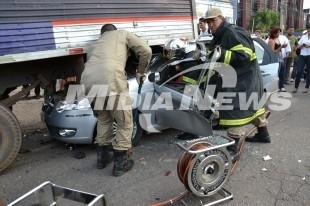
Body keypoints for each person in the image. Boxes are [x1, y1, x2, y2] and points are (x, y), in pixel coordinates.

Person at [81, 24, 152, 176]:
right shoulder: (122, 34)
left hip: (88, 80)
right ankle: (120, 163)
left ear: (102, 35)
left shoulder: (94, 46)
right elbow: (146, 51)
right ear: (113, 30)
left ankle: (102, 158)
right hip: (111, 78)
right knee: (125, 122)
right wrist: (141, 71)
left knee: (104, 119)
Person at [203, 8, 271, 158]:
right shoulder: (220, 34)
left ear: (221, 18)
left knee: (234, 113)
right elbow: (214, 53)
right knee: (254, 107)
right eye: (208, 22)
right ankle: (264, 135)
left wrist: (221, 55)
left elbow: (244, 56)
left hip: (242, 81)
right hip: (246, 80)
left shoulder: (233, 33)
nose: (210, 25)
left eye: (212, 21)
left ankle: (233, 151)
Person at [267, 27, 289, 92]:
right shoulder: (271, 40)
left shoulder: (277, 39)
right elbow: (272, 51)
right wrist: (281, 47)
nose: (278, 34)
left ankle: (281, 86)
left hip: (281, 58)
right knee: (277, 73)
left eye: (279, 32)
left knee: (282, 73)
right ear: (274, 33)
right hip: (276, 59)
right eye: (277, 32)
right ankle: (275, 87)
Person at [292, 25, 310, 93]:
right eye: (308, 30)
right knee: (299, 71)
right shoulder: (303, 36)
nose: (309, 32)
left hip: (309, 55)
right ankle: (296, 87)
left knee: (309, 72)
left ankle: (307, 87)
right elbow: (298, 46)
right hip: (302, 55)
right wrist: (302, 45)